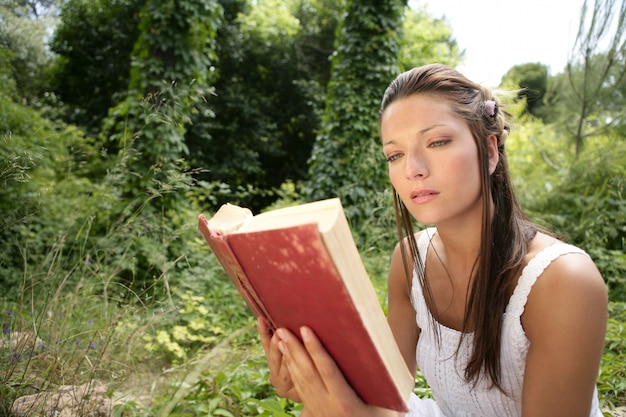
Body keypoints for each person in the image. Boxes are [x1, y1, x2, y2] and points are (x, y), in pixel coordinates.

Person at [257, 63, 608, 417]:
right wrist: (313, 381)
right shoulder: (409, 259)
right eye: (395, 154)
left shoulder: (564, 280)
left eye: (437, 142)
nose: (413, 169)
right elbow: (388, 391)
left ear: (489, 152)